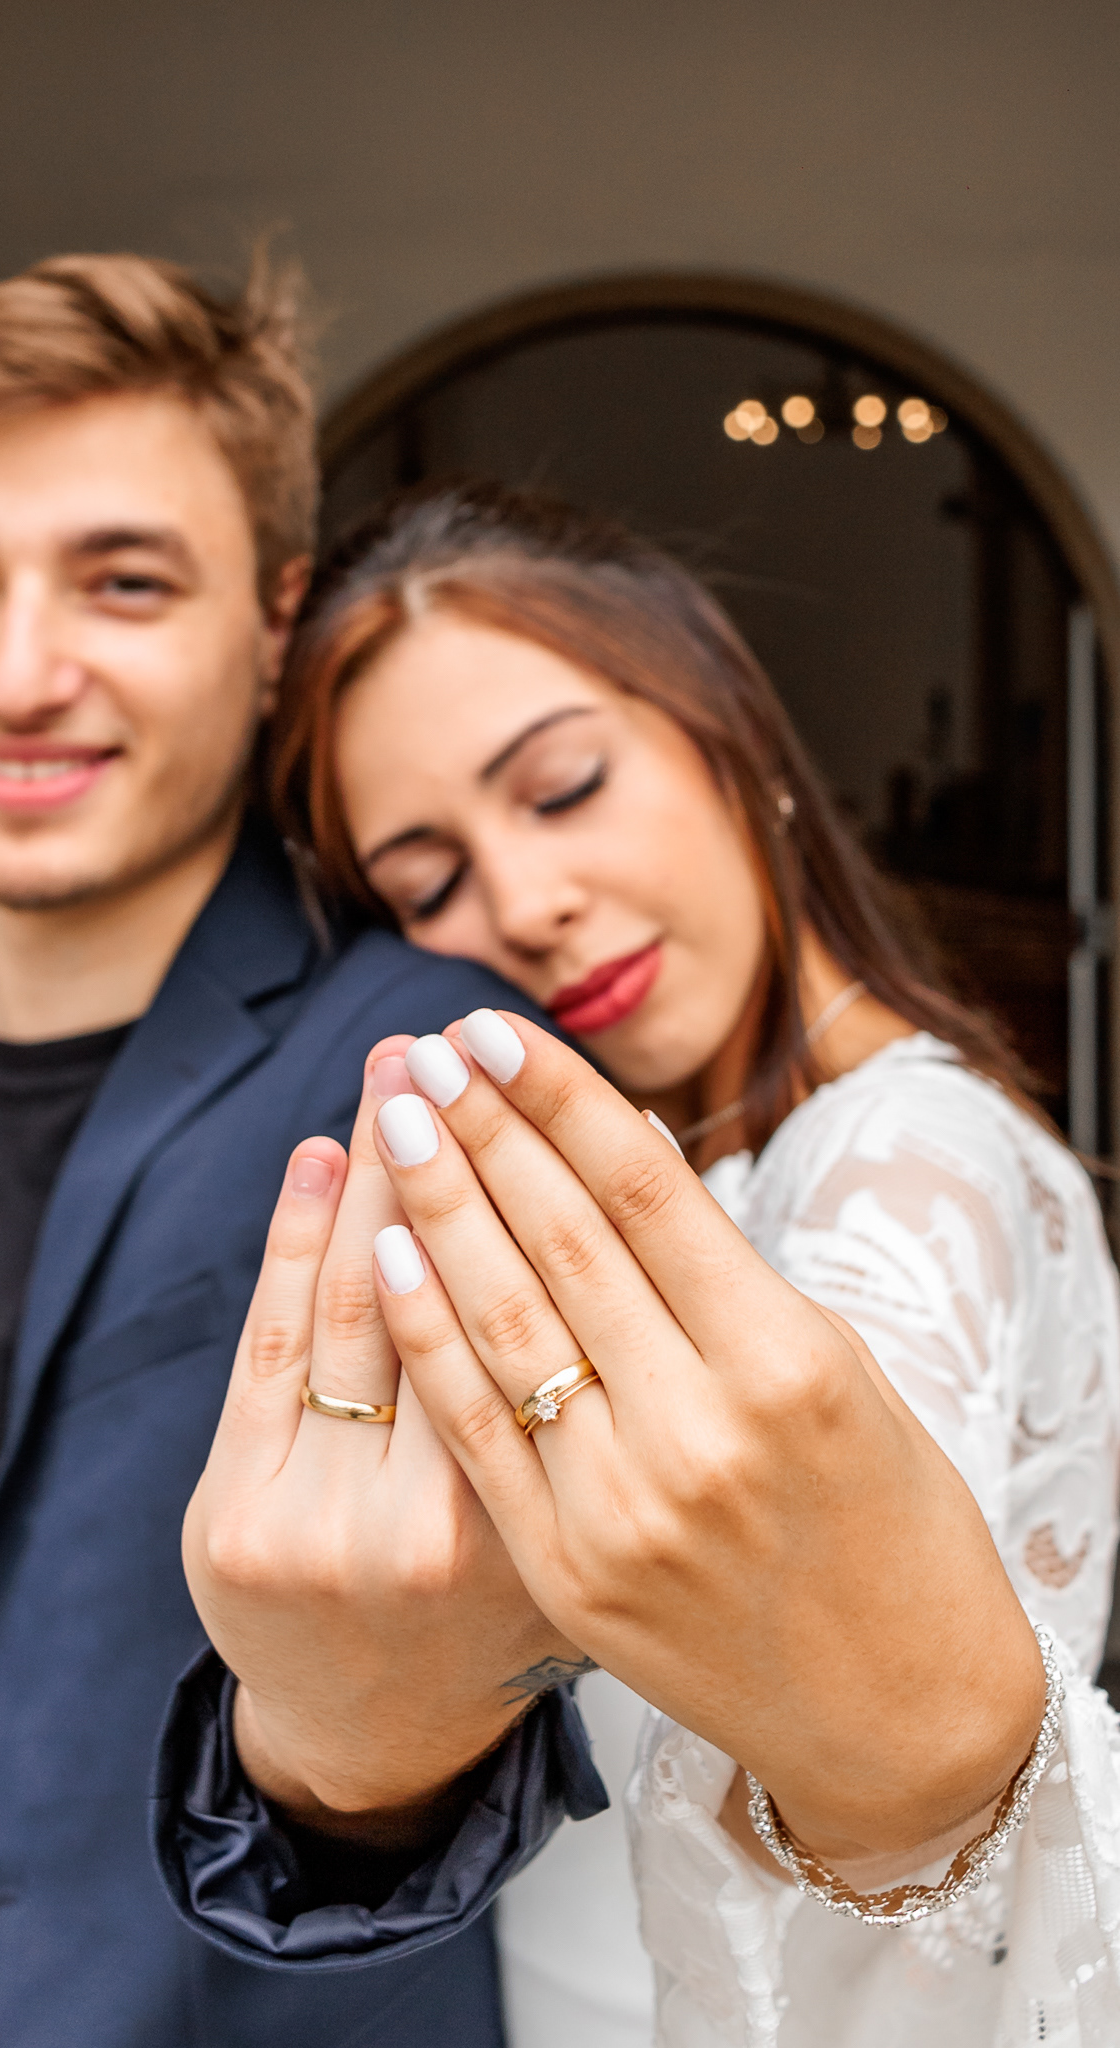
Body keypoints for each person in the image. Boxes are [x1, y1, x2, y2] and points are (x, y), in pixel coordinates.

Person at [162, 483, 1120, 2046]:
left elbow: (864, 1783)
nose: (525, 903)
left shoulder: (897, 1167)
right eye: (427, 885)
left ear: (725, 728)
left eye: (562, 787)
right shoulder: (696, 1178)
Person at [0, 270, 575, 2048]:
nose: (18, 674)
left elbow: (506, 1685)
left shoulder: (430, 1063)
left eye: (122, 583)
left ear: (276, 619)